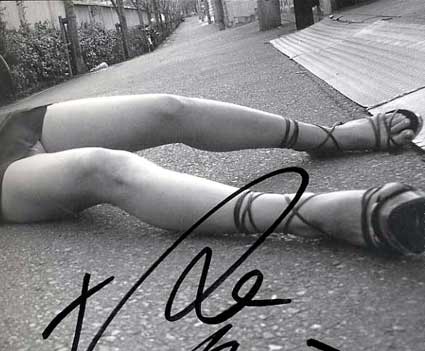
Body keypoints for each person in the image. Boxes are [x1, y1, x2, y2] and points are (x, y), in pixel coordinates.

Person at [0, 94, 424, 255]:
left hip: (8, 129)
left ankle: (328, 138)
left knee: (169, 109)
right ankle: (307, 214)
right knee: (103, 168)